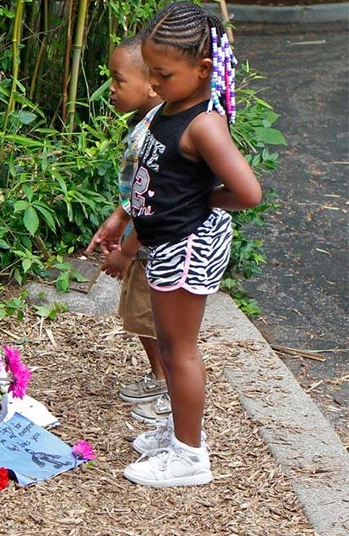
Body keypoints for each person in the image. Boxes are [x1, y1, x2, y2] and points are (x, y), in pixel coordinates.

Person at [88, 2, 262, 487]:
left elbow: (248, 192)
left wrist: (202, 198)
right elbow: (156, 188)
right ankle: (179, 433)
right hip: (168, 241)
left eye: (163, 74)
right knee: (168, 347)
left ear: (202, 70)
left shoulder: (203, 123)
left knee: (179, 351)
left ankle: (189, 455)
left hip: (189, 247)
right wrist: (125, 223)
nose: (155, 83)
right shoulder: (170, 108)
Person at [91, 35, 170, 422]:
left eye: (118, 80)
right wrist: (120, 217)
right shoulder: (147, 125)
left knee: (154, 317)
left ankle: (171, 390)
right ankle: (161, 377)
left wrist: (126, 249)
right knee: (141, 316)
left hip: (155, 246)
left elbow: (153, 199)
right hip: (142, 239)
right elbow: (137, 192)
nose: (111, 89)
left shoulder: (157, 134)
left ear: (151, 83)